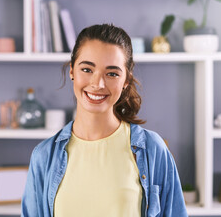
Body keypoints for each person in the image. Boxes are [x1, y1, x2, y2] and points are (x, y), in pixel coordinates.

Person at [21, 24, 188, 217]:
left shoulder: (153, 150)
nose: (98, 84)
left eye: (112, 74)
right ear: (72, 71)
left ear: (126, 80)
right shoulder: (43, 156)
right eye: (87, 69)